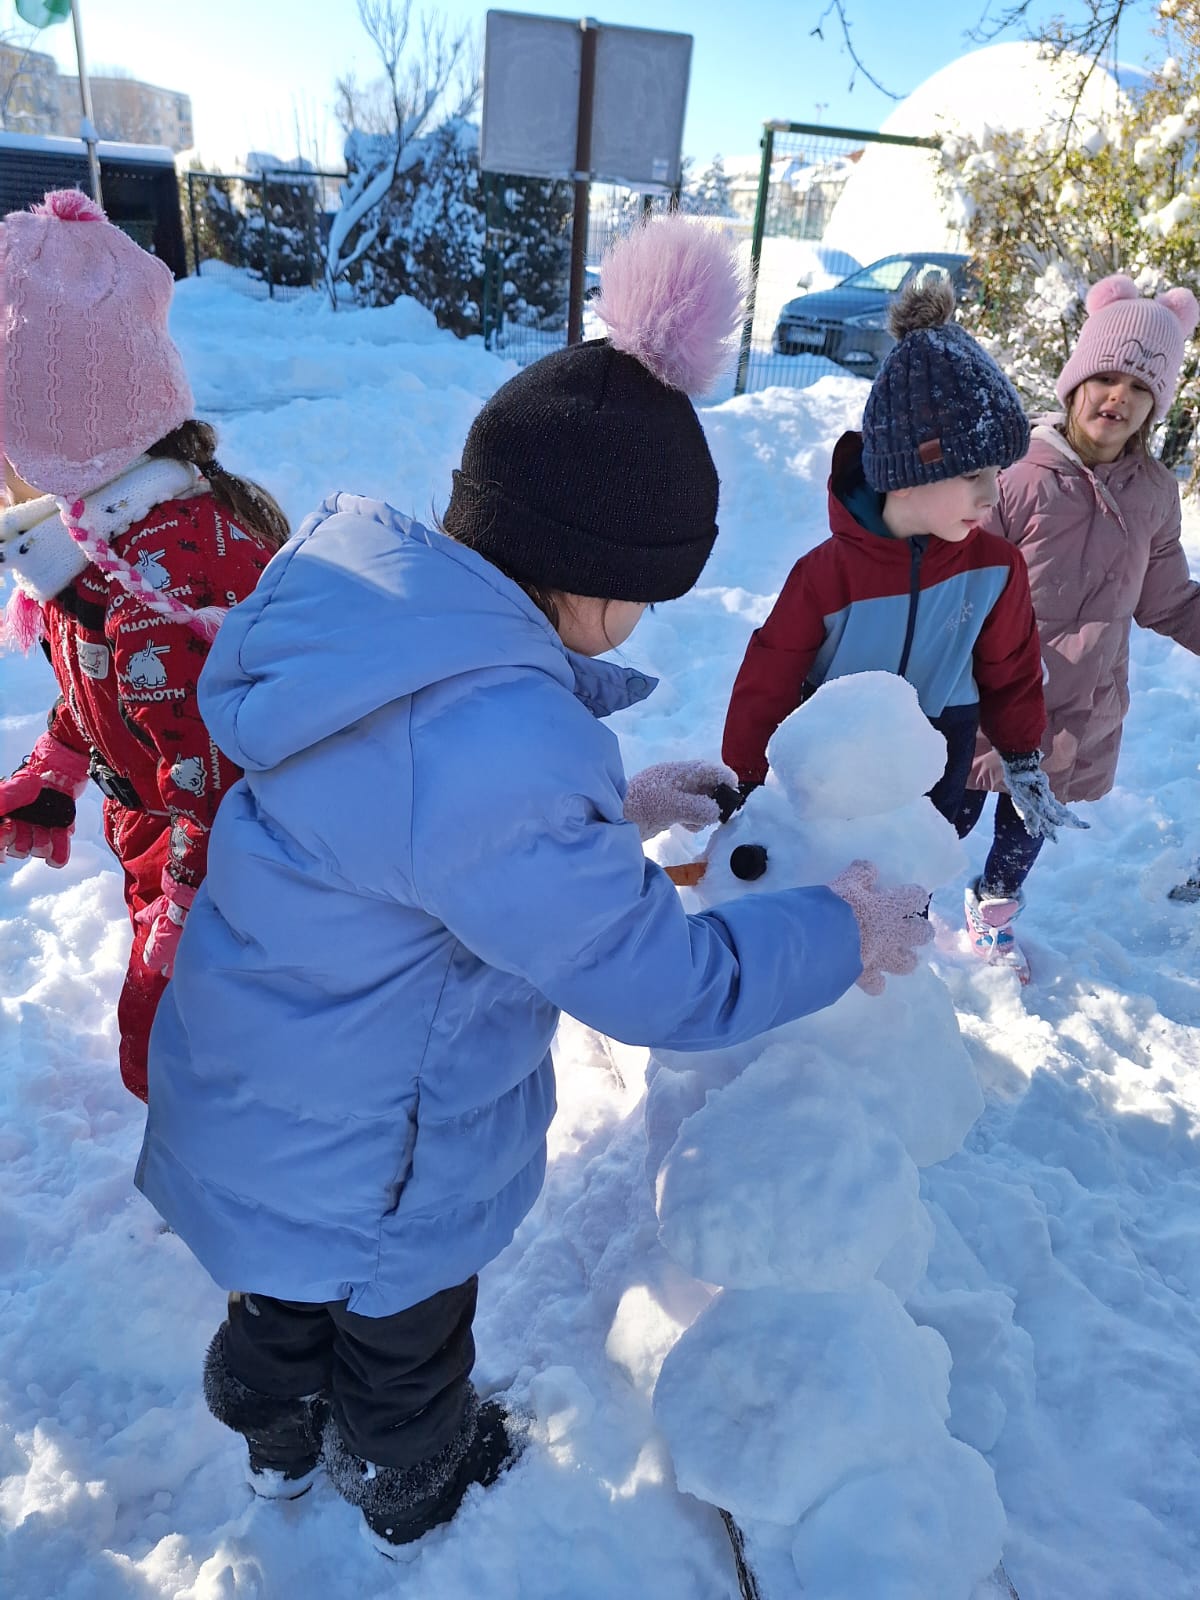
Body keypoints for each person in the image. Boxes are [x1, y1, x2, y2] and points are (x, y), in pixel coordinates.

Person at [134, 217, 933, 1555]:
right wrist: (837, 930)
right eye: (644, 595)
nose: (643, 620)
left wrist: (608, 809)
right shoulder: (500, 742)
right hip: (378, 1155)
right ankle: (411, 1479)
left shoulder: (376, 632)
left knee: (281, 1294)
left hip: (260, 1102)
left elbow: (416, 829)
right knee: (401, 1334)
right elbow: (660, 982)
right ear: (593, 584)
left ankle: (274, 1434)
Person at [0, 189, 287, 1099]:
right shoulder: (98, 540)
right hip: (158, 841)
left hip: (230, 890)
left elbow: (223, 793)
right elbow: (104, 681)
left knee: (203, 1063)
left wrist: (178, 948)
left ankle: (241, 1154)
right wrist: (59, 764)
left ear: (52, 438)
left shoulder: (166, 583)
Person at [721, 277, 1081, 981]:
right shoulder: (827, 575)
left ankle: (895, 990)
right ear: (911, 470)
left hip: (939, 748)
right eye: (974, 475)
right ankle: (820, 984)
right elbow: (768, 677)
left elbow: (1010, 667)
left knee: (906, 879)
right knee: (828, 876)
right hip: (833, 760)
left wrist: (1021, 757)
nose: (992, 494)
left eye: (997, 473)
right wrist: (745, 779)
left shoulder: (994, 567)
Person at [963, 274, 1200, 969]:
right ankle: (900, 904)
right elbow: (961, 580)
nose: (1118, 397)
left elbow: (1166, 599)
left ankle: (993, 905)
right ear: (1075, 384)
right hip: (986, 689)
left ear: (1155, 407)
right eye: (1106, 378)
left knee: (1027, 824)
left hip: (1074, 705)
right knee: (948, 809)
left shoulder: (1153, 494)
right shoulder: (1014, 474)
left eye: (1140, 387)